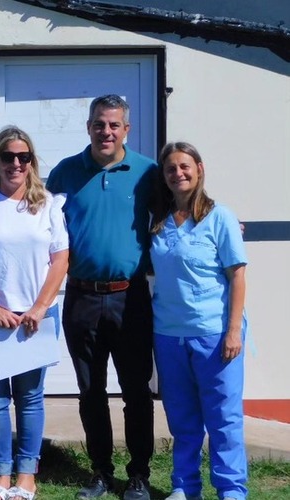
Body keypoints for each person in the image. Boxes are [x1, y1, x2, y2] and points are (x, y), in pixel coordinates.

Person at [46, 94, 156, 500]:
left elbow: (181, 208)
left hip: (132, 298)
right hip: (82, 297)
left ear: (126, 129)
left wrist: (219, 217)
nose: (106, 131)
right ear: (89, 126)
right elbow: (32, 216)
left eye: (114, 125)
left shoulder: (148, 172)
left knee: (136, 390)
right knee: (90, 390)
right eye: (99, 124)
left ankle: (139, 474)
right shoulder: (65, 173)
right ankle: (101, 473)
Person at [0, 126, 69, 500]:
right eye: (8, 157)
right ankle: (1, 474)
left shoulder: (48, 204)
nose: (15, 163)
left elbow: (60, 259)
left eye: (23, 157)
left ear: (32, 162)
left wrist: (39, 307)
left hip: (34, 319)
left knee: (30, 397)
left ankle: (27, 475)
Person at [150, 143, 248, 500]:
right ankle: (185, 487)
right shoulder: (156, 221)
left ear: (199, 169)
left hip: (215, 333)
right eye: (171, 169)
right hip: (169, 334)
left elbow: (237, 275)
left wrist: (233, 331)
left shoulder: (220, 217)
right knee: (183, 419)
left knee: (223, 419)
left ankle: (231, 490)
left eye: (185, 166)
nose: (179, 173)